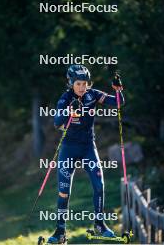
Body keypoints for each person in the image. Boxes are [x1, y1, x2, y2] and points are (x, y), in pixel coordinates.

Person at [48, 65, 124, 243]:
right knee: (64, 192)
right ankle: (60, 232)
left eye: (85, 83)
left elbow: (118, 103)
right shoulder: (65, 98)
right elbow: (56, 122)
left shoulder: (92, 94)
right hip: (69, 149)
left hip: (88, 147)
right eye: (78, 84)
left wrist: (118, 90)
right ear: (71, 83)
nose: (82, 87)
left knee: (99, 184)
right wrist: (69, 111)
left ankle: (99, 224)